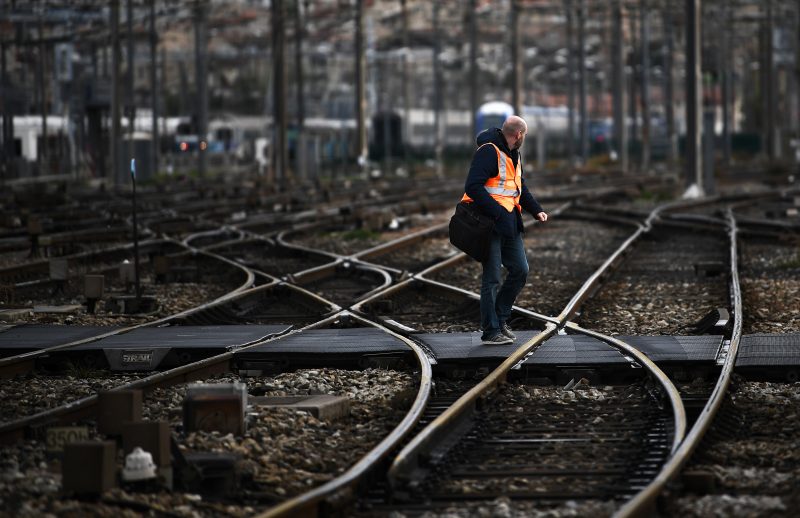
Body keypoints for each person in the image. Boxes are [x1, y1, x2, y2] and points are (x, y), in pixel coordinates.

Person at [461, 115, 548, 345]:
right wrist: (496, 212)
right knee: (492, 279)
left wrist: (536, 209)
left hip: (510, 223)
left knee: (520, 270)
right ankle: (490, 331)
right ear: (518, 135)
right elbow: (473, 186)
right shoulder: (489, 152)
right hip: (489, 225)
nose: (523, 139)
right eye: (524, 136)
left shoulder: (513, 154)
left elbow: (519, 187)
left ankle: (500, 319)